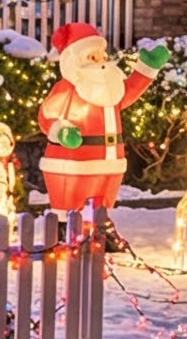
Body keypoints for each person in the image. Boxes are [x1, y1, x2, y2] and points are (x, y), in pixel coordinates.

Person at [38, 23, 168, 214]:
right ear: (74, 60)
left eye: (102, 56)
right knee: (69, 215)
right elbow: (45, 117)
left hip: (111, 163)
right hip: (72, 165)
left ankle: (100, 240)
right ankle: (65, 238)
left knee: (101, 215)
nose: (101, 62)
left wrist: (147, 69)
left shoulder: (112, 90)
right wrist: (62, 131)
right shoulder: (68, 89)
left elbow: (129, 91)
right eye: (92, 57)